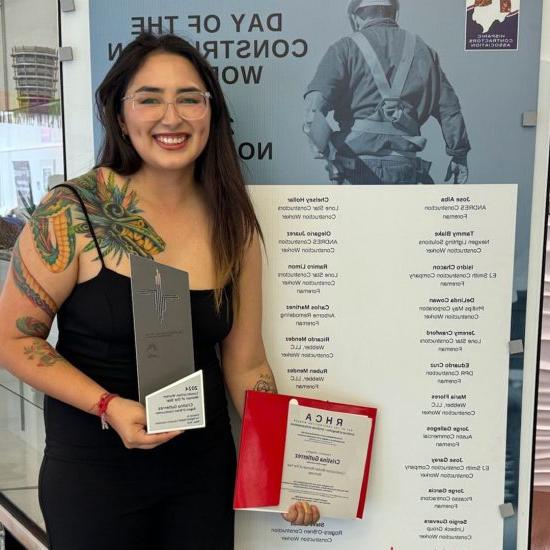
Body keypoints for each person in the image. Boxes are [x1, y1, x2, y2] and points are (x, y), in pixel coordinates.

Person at [0, 33, 319, 549]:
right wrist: (109, 406)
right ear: (121, 115)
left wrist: (282, 465)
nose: (171, 116)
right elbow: (12, 340)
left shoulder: (232, 220)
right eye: (149, 98)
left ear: (209, 112)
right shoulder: (72, 211)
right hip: (96, 473)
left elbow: (247, 362)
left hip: (201, 473)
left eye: (189, 98)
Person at [303, 0, 471, 185]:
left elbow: (314, 109)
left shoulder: (343, 49)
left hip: (356, 169)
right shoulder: (424, 51)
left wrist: (327, 153)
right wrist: (459, 155)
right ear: (394, 12)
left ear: (357, 15)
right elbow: (449, 109)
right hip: (405, 168)